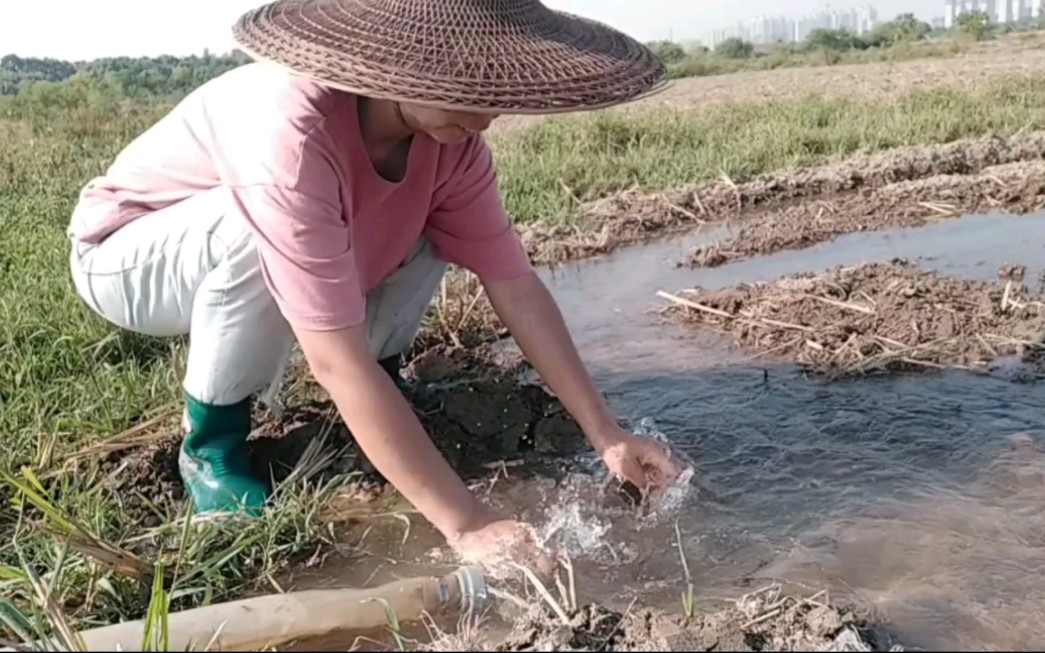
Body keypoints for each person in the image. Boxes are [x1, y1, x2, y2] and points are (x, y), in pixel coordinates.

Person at [66, 0, 682, 573]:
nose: (488, 112)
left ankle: (385, 392)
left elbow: (513, 283)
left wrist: (607, 434)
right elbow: (334, 360)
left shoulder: (453, 145)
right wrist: (465, 523)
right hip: (128, 256)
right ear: (402, 67)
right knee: (251, 233)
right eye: (468, 87)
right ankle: (213, 444)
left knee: (431, 226)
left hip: (256, 235)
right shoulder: (292, 134)